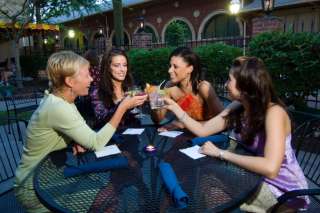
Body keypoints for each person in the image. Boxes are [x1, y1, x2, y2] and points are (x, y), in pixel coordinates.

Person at [163, 56, 309, 212]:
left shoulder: (274, 113)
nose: (226, 85)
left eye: (229, 80)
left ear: (245, 85)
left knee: (209, 177)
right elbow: (203, 130)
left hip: (282, 192)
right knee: (209, 180)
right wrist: (175, 108)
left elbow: (271, 168)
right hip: (253, 178)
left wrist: (220, 153)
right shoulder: (239, 106)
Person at [14, 51, 147, 212]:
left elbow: (70, 129)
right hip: (35, 186)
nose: (91, 79)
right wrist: (123, 107)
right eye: (86, 75)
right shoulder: (58, 107)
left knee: (109, 191)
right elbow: (96, 143)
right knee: (109, 196)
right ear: (70, 81)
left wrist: (72, 139)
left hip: (53, 173)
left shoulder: (60, 100)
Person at [153, 47, 223, 130]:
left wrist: (184, 125)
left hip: (210, 138)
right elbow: (157, 119)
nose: (169, 70)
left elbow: (224, 120)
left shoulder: (203, 87)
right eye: (170, 66)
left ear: (190, 69)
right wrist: (155, 97)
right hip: (183, 138)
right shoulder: (170, 88)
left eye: (175, 67)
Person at [90, 48, 139, 129]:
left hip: (133, 136)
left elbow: (135, 116)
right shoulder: (97, 91)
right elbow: (102, 120)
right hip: (110, 139)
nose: (122, 69)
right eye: (117, 65)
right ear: (108, 68)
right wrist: (124, 105)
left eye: (125, 65)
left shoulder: (129, 87)